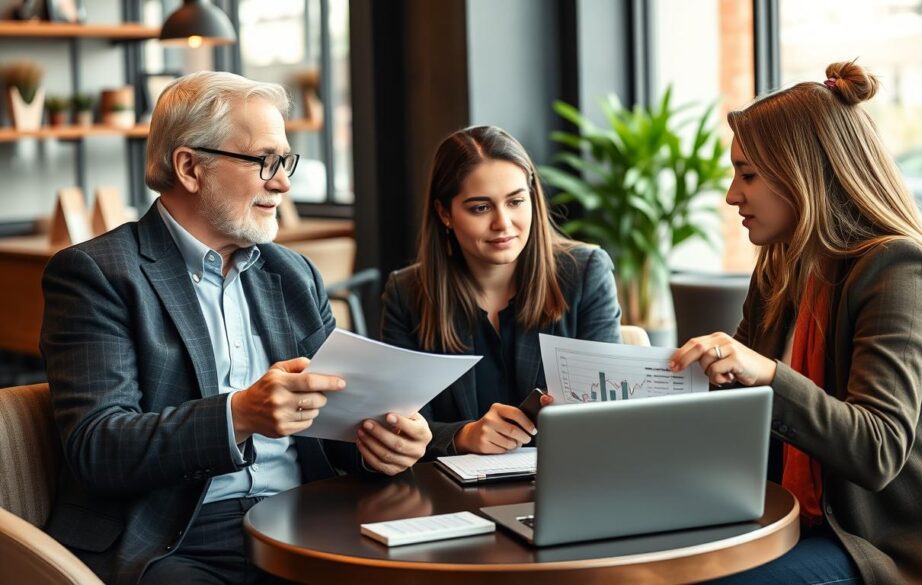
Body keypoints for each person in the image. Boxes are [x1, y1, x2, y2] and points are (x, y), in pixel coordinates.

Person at [40, 71, 431, 585]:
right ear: (189, 168)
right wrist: (239, 415)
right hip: (174, 538)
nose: (283, 182)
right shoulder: (100, 273)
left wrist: (382, 442)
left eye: (285, 161)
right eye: (266, 161)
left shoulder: (292, 273)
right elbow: (99, 447)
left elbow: (336, 425)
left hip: (304, 520)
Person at [668, 61, 922, 585]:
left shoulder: (901, 269)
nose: (731, 195)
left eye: (747, 174)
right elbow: (736, 408)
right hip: (785, 519)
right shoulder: (782, 271)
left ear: (804, 173)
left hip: (879, 547)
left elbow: (877, 449)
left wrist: (767, 374)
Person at [381, 125, 622, 458]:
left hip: (568, 478)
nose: (503, 223)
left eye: (516, 202)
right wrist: (463, 435)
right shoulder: (407, 293)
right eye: (481, 208)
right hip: (450, 494)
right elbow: (398, 425)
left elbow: (608, 416)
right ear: (444, 213)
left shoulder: (585, 273)